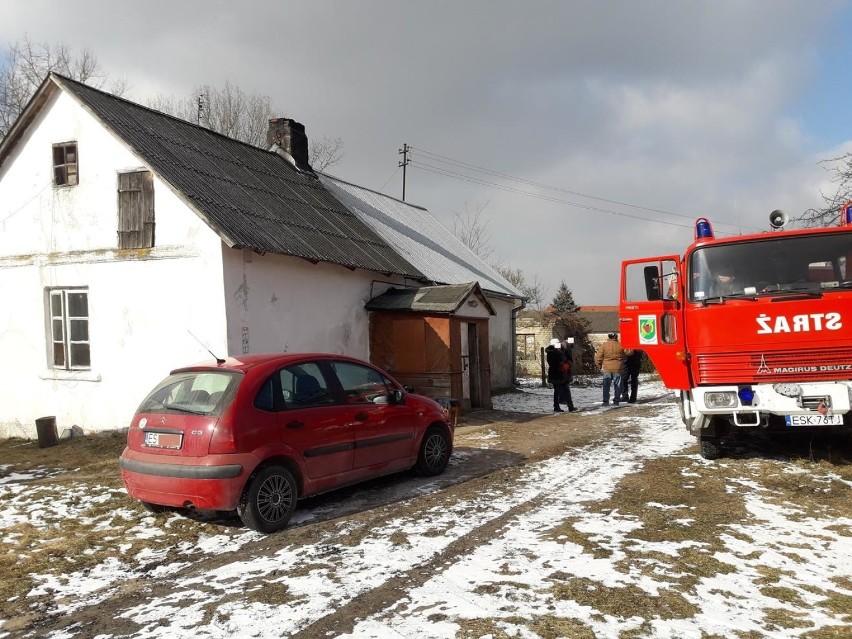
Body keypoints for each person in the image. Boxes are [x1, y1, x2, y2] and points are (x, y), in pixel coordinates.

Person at [594, 332, 631, 406]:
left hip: (607, 368)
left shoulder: (604, 346)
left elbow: (598, 357)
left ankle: (605, 401)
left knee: (606, 386)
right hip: (618, 368)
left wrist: (598, 365)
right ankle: (616, 401)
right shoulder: (620, 345)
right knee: (618, 386)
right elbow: (629, 353)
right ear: (616, 337)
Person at [545, 338, 575, 413]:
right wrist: (564, 364)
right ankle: (568, 406)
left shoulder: (553, 352)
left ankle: (562, 406)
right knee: (564, 390)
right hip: (559, 374)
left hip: (556, 374)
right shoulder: (555, 353)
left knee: (559, 391)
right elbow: (560, 362)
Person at [560, 338, 578, 412]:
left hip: (563, 370)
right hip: (565, 370)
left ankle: (564, 402)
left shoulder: (564, 345)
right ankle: (569, 406)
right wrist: (568, 364)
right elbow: (566, 358)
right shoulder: (565, 346)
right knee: (566, 389)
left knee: (563, 388)